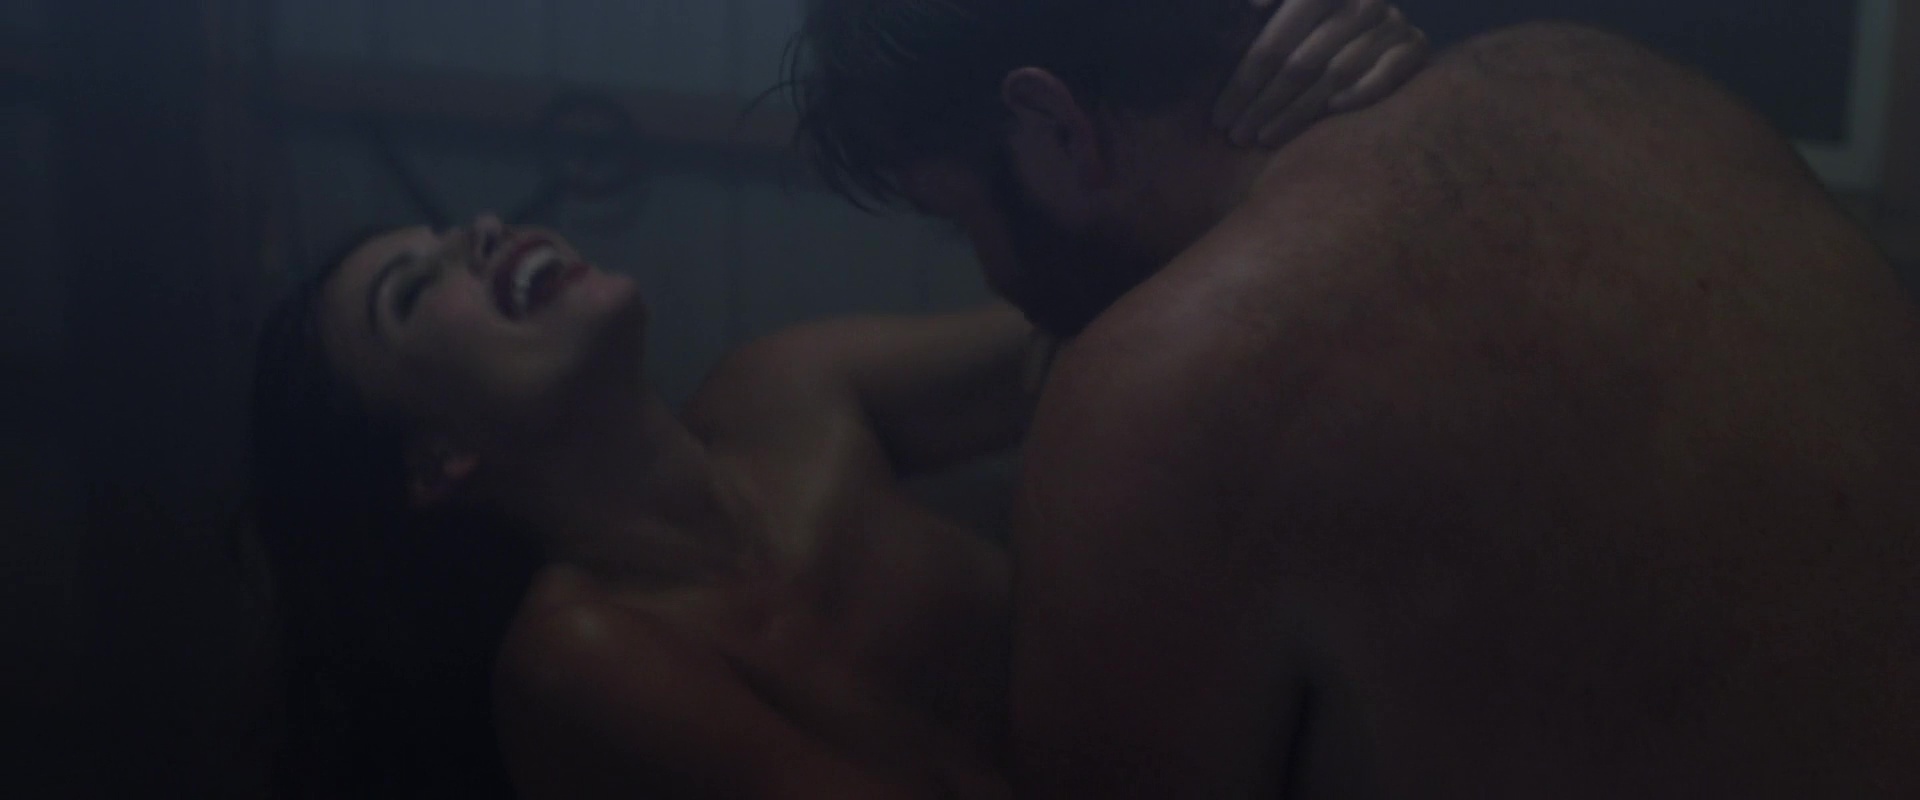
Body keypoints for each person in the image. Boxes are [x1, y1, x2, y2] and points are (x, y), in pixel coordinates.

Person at [246, 4, 1425, 797]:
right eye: (416, 289)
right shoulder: (577, 655)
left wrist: (1311, 95)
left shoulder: (782, 391)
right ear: (436, 458)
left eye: (454, 230)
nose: (477, 234)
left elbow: (1083, 317)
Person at [790, 1, 1920, 797]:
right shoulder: (1612, 77)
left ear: (1052, 125)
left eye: (964, 220)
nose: (993, 271)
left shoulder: (1156, 398)